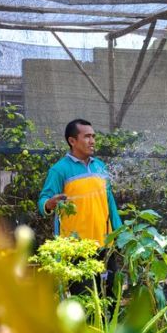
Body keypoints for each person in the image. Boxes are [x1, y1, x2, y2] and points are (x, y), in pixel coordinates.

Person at [38, 118, 122, 298]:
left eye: (93, 136)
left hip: (105, 246)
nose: (92, 141)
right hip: (76, 249)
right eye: (87, 137)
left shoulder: (100, 166)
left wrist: (120, 234)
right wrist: (49, 203)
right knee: (85, 302)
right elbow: (44, 199)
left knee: (110, 299)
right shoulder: (59, 170)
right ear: (72, 141)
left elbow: (110, 203)